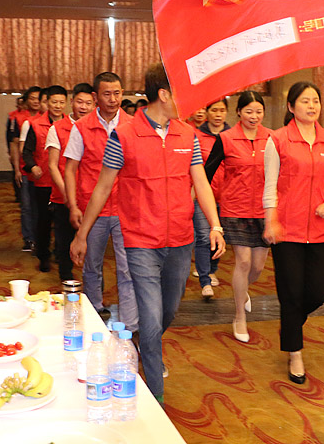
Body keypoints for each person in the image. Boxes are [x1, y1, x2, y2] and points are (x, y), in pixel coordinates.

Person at [71, 63, 226, 403]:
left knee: (166, 312)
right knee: (152, 319)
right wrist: (82, 234)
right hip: (140, 240)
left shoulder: (187, 135)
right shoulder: (124, 136)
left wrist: (215, 225)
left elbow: (201, 182)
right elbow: (102, 187)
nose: (190, 102)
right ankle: (156, 395)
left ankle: (143, 343)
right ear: (164, 94)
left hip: (181, 240)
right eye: (184, 93)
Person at [262, 81, 324, 384]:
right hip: (287, 230)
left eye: (315, 101)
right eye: (305, 101)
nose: (312, 106)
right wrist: (270, 221)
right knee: (291, 292)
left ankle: (291, 325)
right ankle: (295, 353)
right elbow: (270, 186)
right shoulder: (278, 140)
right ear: (291, 107)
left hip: (320, 229)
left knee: (318, 292)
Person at [63, 72, 137, 328]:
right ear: (96, 97)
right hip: (92, 208)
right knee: (91, 265)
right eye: (107, 94)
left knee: (127, 267)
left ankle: (130, 323)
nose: (113, 99)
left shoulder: (133, 125)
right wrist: (73, 205)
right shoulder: (82, 127)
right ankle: (94, 310)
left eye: (117, 93)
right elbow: (70, 169)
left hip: (126, 208)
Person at [205, 92, 271, 341]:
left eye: (258, 112)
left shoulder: (272, 138)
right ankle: (239, 316)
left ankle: (242, 291)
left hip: (264, 210)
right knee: (243, 262)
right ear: (239, 113)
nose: (254, 116)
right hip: (235, 210)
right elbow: (206, 172)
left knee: (258, 267)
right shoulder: (226, 139)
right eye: (249, 112)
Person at [46, 82, 95, 281]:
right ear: (72, 102)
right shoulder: (57, 128)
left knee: (93, 243)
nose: (83, 107)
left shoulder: (98, 128)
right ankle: (66, 278)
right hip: (63, 196)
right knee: (65, 240)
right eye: (80, 102)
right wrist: (67, 194)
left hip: (91, 196)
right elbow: (52, 165)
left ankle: (93, 283)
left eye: (88, 103)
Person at [22, 85, 67, 273]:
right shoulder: (35, 124)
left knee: (63, 221)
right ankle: (43, 255)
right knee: (44, 220)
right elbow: (27, 152)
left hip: (64, 181)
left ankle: (60, 252)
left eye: (61, 102)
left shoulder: (71, 124)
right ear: (47, 103)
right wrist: (33, 166)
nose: (58, 106)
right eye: (54, 102)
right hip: (44, 182)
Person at [193, 98, 230, 298]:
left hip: (227, 196)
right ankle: (205, 279)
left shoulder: (232, 136)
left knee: (220, 235)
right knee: (202, 236)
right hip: (202, 195)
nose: (218, 114)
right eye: (214, 110)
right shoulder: (197, 136)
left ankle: (212, 268)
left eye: (222, 110)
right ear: (207, 112)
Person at [11, 86, 41, 252]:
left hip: (43, 172)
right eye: (32, 98)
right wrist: (16, 169)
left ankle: (41, 239)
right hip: (26, 169)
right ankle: (29, 238)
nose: (36, 102)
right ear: (26, 101)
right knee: (27, 206)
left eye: (39, 98)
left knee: (41, 207)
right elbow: (14, 146)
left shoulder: (50, 118)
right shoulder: (18, 119)